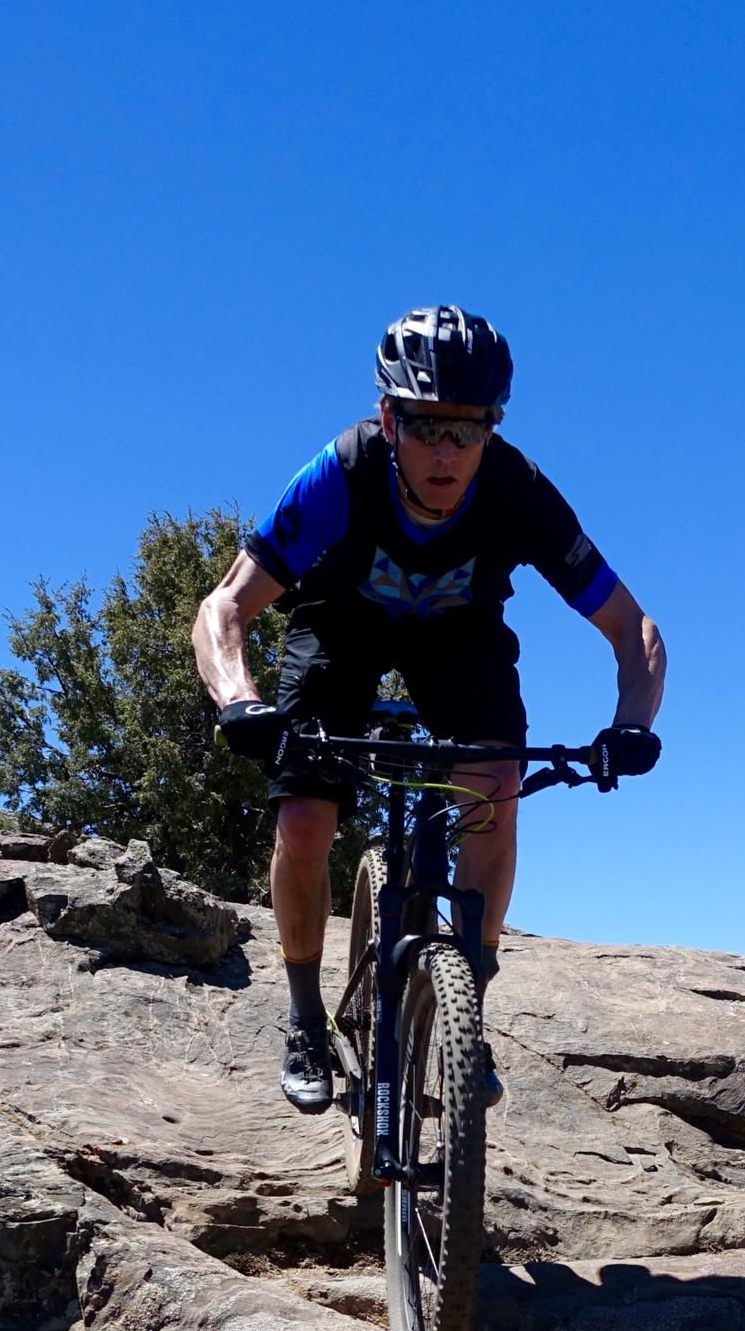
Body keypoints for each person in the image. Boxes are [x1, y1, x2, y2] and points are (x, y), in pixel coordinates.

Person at [192, 305, 667, 1112]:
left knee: (495, 788)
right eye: (425, 429)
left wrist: (632, 726)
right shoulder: (342, 473)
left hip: (460, 637)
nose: (447, 454)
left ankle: (464, 1013)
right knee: (306, 819)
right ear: (388, 417)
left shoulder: (516, 490)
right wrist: (240, 699)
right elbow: (225, 608)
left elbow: (633, 628)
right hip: (339, 625)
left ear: (491, 426)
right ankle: (307, 1016)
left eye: (466, 430)